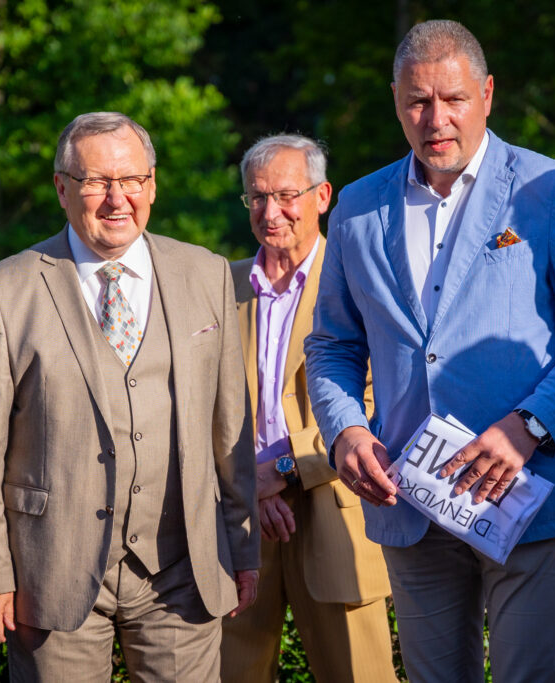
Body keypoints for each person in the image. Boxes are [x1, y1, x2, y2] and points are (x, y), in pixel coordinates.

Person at [304, 20, 555, 683]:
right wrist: (346, 431)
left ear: (486, 93)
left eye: (453, 98)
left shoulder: (552, 190)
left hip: (529, 491)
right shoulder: (358, 208)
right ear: (395, 100)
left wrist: (529, 426)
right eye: (417, 101)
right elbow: (334, 345)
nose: (436, 119)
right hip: (411, 500)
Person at [0, 111, 260, 681]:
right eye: (96, 181)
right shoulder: (2, 292)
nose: (118, 198)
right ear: (62, 188)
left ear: (153, 185)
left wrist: (243, 549)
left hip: (183, 571)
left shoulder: (206, 273)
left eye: (132, 179)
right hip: (51, 575)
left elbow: (230, 430)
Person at [220, 135, 397, 683]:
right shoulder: (220, 287)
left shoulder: (362, 281)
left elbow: (382, 403)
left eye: (285, 195)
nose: (270, 211)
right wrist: (247, 482)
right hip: (241, 522)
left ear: (322, 197)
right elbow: (197, 402)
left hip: (336, 513)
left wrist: (283, 468)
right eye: (257, 196)